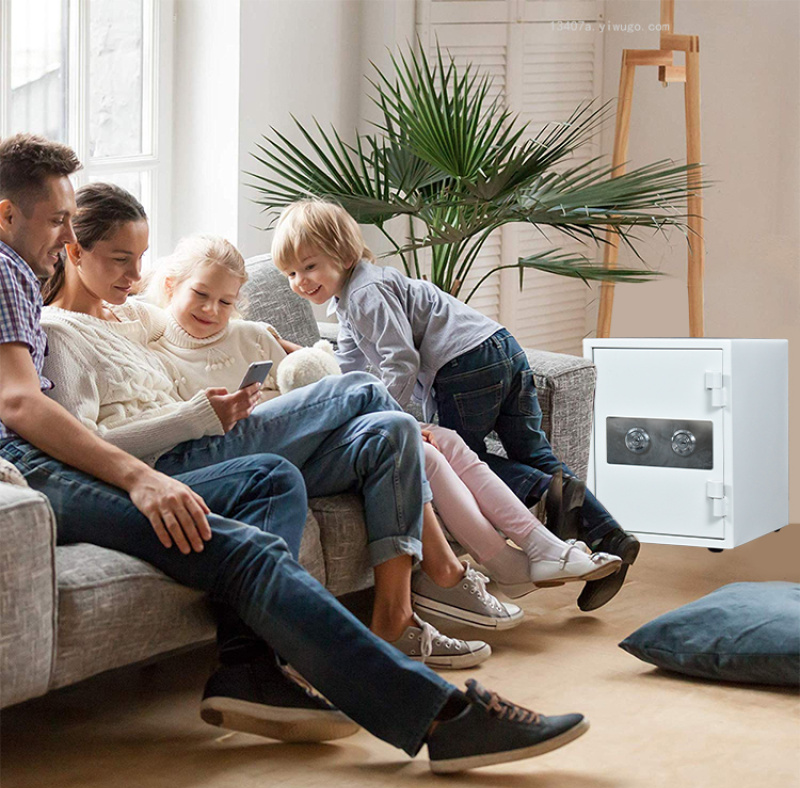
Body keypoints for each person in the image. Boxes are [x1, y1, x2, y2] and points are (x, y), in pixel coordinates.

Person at [0, 132, 589, 772]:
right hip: (49, 469)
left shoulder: (62, 289)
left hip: (97, 455)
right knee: (276, 510)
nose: (66, 236)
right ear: (7, 214)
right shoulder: (12, 276)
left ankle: (250, 670)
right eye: (57, 221)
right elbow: (22, 404)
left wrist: (264, 347)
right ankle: (440, 712)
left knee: (279, 475)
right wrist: (144, 475)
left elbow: (169, 328)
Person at [44, 214, 523, 667]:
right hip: (175, 459)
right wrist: (195, 416)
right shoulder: (57, 331)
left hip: (211, 438)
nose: (135, 275)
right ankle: (444, 571)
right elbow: (79, 444)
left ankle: (395, 620)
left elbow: (193, 322)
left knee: (390, 433)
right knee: (361, 388)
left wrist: (278, 347)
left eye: (140, 258)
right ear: (74, 252)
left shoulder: (132, 314)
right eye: (121, 259)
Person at [140, 235, 622, 601]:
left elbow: (317, 378)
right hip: (255, 452)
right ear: (170, 286)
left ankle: (531, 551)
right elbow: (192, 429)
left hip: (319, 436)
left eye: (226, 302)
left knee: (443, 444)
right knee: (413, 434)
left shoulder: (252, 333)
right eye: (201, 295)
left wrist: (296, 352)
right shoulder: (155, 350)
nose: (213, 310)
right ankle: (516, 557)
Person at [271, 199, 641, 612]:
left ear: (343, 255)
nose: (300, 281)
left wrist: (392, 418)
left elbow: (400, 362)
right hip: (499, 346)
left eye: (309, 266)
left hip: (464, 366)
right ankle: (609, 534)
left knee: (460, 458)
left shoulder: (364, 294)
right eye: (290, 273)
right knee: (533, 453)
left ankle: (544, 494)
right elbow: (349, 368)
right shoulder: (354, 296)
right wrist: (296, 357)